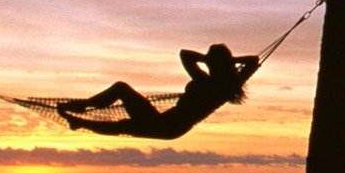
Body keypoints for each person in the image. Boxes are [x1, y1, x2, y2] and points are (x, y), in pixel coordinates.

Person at [57, 44, 260, 139]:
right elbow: (252, 62)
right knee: (124, 114)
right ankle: (81, 117)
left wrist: (215, 60)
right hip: (166, 123)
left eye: (211, 60)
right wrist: (221, 60)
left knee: (124, 113)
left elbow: (185, 55)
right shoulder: (228, 84)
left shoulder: (214, 84)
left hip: (169, 126)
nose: (208, 63)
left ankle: (81, 114)